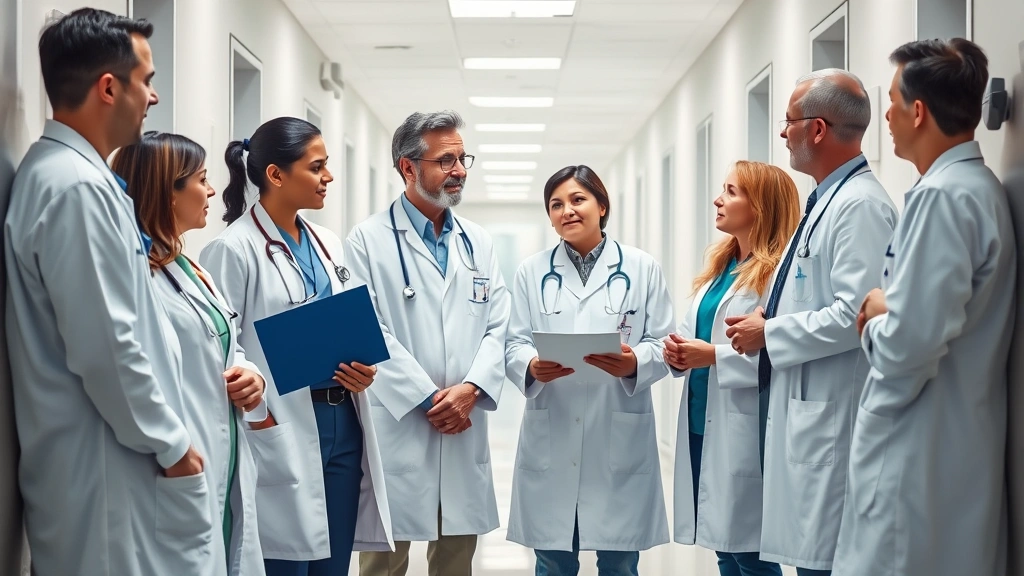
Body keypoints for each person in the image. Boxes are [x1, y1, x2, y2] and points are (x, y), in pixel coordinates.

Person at [4, 9, 215, 575]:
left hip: (113, 468)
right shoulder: (74, 187)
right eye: (147, 80)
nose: (153, 97)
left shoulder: (78, 177)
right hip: (109, 476)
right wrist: (173, 446)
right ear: (108, 87)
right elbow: (108, 345)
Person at [833, 38, 1016, 576]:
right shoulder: (974, 187)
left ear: (917, 111)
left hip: (914, 458)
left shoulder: (944, 197)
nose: (885, 116)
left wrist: (874, 315)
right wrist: (893, 306)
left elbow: (904, 348)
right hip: (946, 452)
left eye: (892, 101)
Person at [199, 117, 392, 576]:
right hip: (280, 424)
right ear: (276, 175)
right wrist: (260, 413)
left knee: (333, 563)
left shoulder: (328, 243)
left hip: (344, 420)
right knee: (284, 562)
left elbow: (352, 322)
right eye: (317, 167)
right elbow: (219, 347)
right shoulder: (233, 249)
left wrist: (366, 368)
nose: (329, 177)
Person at [724, 69, 898, 576]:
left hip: (834, 421)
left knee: (827, 563)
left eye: (789, 121)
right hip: (809, 415)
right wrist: (771, 315)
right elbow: (814, 294)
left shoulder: (860, 207)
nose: (783, 133)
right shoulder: (826, 200)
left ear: (817, 129)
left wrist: (768, 332)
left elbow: (856, 315)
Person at [350, 110, 510, 576]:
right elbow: (367, 330)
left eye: (462, 159)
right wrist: (428, 398)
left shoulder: (478, 241)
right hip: (400, 421)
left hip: (464, 420)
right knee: (383, 563)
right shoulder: (367, 240)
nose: (459, 171)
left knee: (456, 561)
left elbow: (499, 326)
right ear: (408, 167)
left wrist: (471, 390)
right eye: (446, 161)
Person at [504, 165, 673, 575]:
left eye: (577, 199)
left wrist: (634, 362)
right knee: (552, 562)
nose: (567, 211)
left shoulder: (641, 267)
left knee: (619, 563)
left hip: (616, 427)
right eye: (556, 204)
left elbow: (664, 343)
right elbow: (513, 343)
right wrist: (531, 366)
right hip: (554, 424)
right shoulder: (531, 271)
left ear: (602, 206)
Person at [113, 132, 269, 575]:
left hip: (222, 457)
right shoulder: (133, 276)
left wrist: (250, 375)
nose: (213, 190)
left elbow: (224, 343)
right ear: (168, 192)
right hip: (176, 465)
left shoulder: (188, 265)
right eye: (201, 179)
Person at [665, 161, 799, 576]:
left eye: (731, 191)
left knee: (750, 554)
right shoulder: (721, 267)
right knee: (724, 547)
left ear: (760, 206)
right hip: (702, 421)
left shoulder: (778, 275)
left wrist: (713, 356)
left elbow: (783, 350)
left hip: (746, 426)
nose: (718, 200)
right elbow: (696, 329)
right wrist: (677, 352)